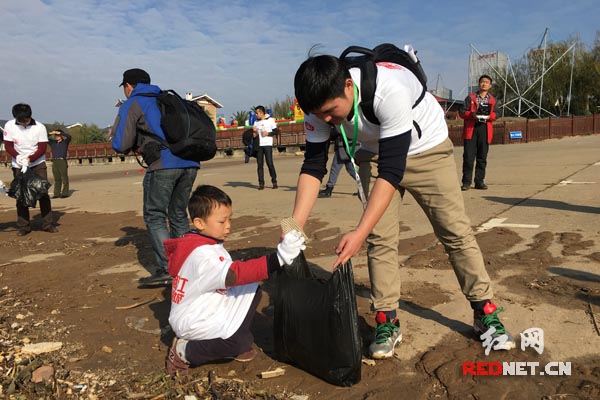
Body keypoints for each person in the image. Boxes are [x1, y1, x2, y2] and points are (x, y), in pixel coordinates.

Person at [292, 53, 515, 360]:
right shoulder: (318, 108)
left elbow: (392, 171)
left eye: (331, 112)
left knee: (455, 232)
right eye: (321, 116)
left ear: (348, 85)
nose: (327, 121)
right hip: (373, 151)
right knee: (380, 239)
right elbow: (314, 166)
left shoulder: (388, 89)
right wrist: (294, 227)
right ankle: (387, 320)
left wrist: (358, 231)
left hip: (427, 149)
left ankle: (484, 311)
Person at [164, 185, 305, 376]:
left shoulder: (201, 242)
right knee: (235, 343)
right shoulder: (202, 254)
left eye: (230, 219)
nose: (228, 225)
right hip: (193, 320)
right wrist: (277, 259)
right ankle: (184, 352)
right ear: (199, 223)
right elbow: (234, 274)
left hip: (203, 306)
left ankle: (237, 335)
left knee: (251, 288)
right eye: (222, 221)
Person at [112, 68, 199, 286]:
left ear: (128, 86)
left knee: (155, 215)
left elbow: (120, 143)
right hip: (190, 162)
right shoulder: (167, 99)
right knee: (178, 214)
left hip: (163, 165)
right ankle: (186, 266)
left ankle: (169, 268)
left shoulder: (133, 102)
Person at [3, 103, 57, 236]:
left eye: (25, 120)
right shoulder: (9, 126)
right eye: (20, 121)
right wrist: (19, 157)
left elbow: (42, 147)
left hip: (37, 163)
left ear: (30, 116)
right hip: (19, 165)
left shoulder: (40, 127)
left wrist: (31, 159)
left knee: (42, 192)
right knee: (21, 195)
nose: (23, 123)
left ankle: (47, 224)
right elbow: (8, 145)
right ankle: (24, 226)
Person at [459, 74, 497, 191]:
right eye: (482, 82)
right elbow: (461, 112)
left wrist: (488, 116)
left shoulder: (493, 100)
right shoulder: (470, 98)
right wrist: (472, 114)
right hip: (472, 129)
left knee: (482, 157)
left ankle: (479, 181)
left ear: (490, 85)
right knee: (468, 157)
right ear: (479, 84)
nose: (484, 84)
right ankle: (466, 182)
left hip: (485, 129)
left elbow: (497, 114)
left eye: (486, 82)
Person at [318, 127, 357, 198]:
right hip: (349, 147)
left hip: (343, 147)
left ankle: (329, 188)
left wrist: (331, 130)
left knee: (335, 168)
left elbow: (334, 133)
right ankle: (363, 184)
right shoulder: (348, 121)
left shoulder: (341, 123)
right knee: (351, 169)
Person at [252, 106, 278, 190]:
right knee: (260, 165)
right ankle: (261, 183)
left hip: (267, 145)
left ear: (262, 113)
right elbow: (255, 135)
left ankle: (274, 181)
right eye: (255, 113)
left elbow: (276, 131)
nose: (256, 114)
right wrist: (254, 132)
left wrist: (268, 134)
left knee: (269, 163)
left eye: (257, 113)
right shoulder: (256, 122)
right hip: (259, 145)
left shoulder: (270, 120)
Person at [48, 128, 72, 198]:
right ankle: (56, 193)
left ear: (61, 135)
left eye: (58, 135)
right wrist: (51, 133)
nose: (57, 137)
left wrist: (60, 133)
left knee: (64, 177)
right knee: (57, 178)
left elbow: (69, 137)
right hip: (55, 161)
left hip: (62, 161)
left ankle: (65, 193)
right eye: (56, 135)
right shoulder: (53, 143)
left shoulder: (65, 142)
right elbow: (44, 138)